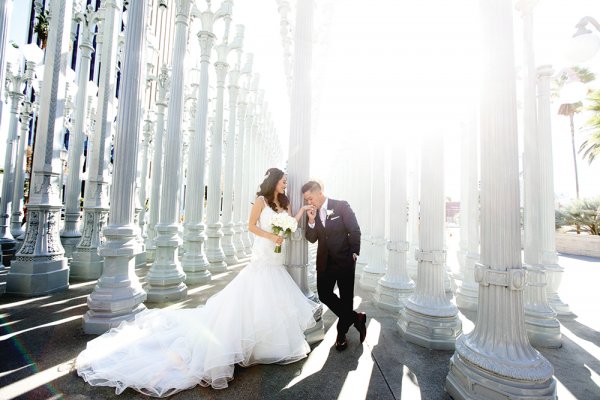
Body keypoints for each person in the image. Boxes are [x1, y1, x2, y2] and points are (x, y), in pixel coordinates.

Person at [76, 168, 316, 397]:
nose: (286, 183)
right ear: (274, 180)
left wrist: (300, 212)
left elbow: (290, 226)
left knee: (270, 301)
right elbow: (251, 226)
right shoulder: (261, 201)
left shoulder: (284, 203)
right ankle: (246, 344)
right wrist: (271, 235)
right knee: (254, 298)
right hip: (263, 253)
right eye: (283, 179)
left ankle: (266, 345)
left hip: (276, 257)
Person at [302, 180, 366, 351]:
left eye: (310, 198)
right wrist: (311, 221)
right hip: (324, 262)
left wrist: (354, 252)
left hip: (345, 260)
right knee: (324, 294)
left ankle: (341, 334)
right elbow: (312, 238)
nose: (309, 202)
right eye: (306, 200)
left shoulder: (341, 206)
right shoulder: (313, 213)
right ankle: (356, 318)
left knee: (346, 299)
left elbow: (354, 229)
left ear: (319, 193)